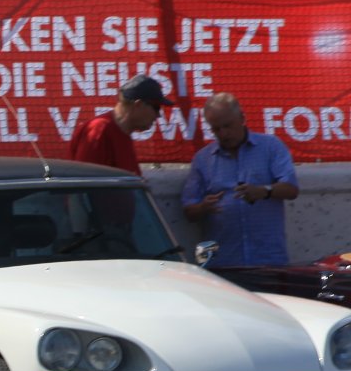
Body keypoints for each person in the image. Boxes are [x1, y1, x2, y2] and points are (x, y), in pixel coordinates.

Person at [181, 93, 298, 267]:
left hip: (268, 260)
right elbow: (189, 211)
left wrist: (264, 191)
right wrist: (203, 207)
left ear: (242, 118)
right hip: (222, 263)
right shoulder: (203, 159)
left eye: (228, 126)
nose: (224, 133)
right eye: (216, 129)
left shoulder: (271, 147)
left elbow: (291, 189)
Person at [68, 73, 173, 173]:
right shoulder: (98, 131)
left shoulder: (123, 133)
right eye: (156, 108)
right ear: (138, 105)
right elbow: (85, 181)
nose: (158, 115)